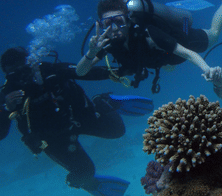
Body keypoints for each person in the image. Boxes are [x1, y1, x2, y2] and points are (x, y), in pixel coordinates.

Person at [0, 47, 154, 196]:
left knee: (117, 131)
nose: (22, 77)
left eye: (24, 69)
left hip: (78, 118)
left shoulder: (50, 70)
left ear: (31, 63)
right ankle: (86, 182)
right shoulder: (6, 95)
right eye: (15, 74)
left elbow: (83, 72)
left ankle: (103, 101)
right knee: (85, 173)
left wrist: (118, 72)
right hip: (53, 139)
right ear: (7, 75)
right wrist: (7, 107)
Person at [77, 0, 222, 93]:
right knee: (168, 66)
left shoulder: (149, 33)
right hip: (163, 59)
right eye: (107, 23)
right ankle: (171, 10)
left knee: (214, 34)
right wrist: (91, 52)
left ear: (128, 20)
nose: (113, 29)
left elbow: (187, 54)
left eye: (119, 21)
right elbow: (80, 71)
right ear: (101, 25)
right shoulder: (104, 44)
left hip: (181, 39)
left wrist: (207, 69)